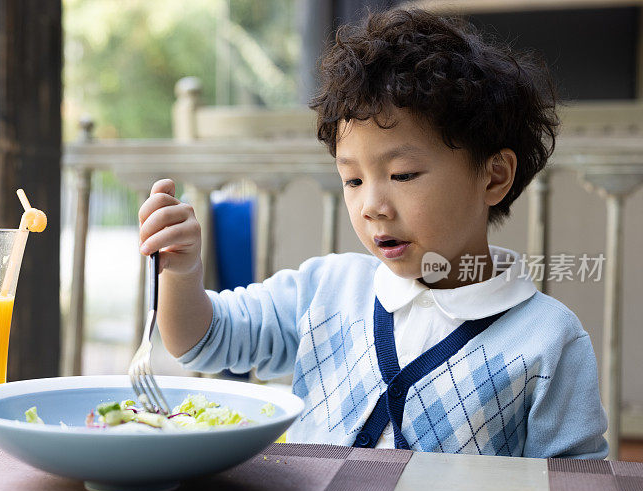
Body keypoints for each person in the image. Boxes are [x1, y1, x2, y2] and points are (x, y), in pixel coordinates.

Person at [137, 8, 608, 458]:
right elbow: (202, 337)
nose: (372, 207)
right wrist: (181, 272)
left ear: (494, 177)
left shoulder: (547, 340)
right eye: (353, 180)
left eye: (402, 175)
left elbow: (571, 490)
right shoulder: (325, 292)